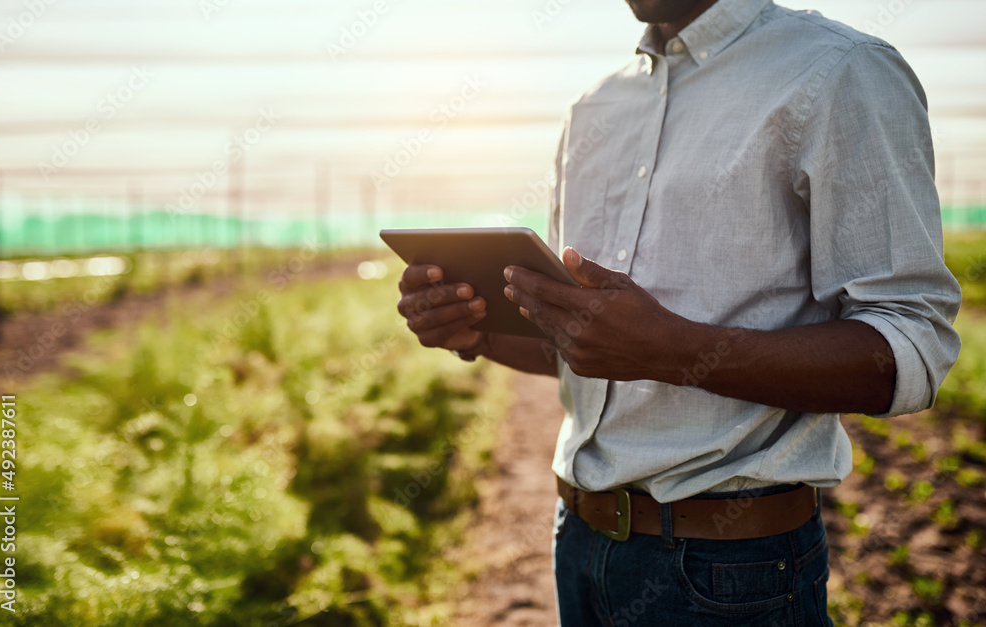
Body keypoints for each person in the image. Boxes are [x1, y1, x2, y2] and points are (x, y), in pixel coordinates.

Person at [395, 0, 962, 624]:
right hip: (579, 544)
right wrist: (473, 333)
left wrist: (673, 351)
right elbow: (584, 350)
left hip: (732, 570)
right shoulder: (593, 107)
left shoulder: (839, 72)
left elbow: (911, 346)